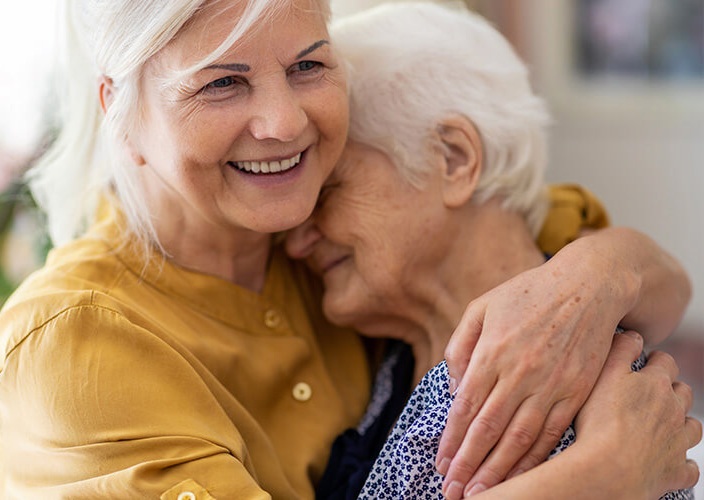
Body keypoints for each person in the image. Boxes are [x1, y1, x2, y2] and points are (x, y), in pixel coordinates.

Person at [0, 0, 694, 498]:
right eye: (222, 83)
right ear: (119, 112)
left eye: (309, 66)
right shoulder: (69, 351)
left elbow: (585, 255)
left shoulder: (312, 244)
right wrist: (601, 480)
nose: (283, 124)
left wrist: (604, 273)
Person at [285, 3, 700, 499]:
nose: (295, 238)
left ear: (454, 159)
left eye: (328, 190)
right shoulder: (388, 363)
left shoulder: (581, 381)